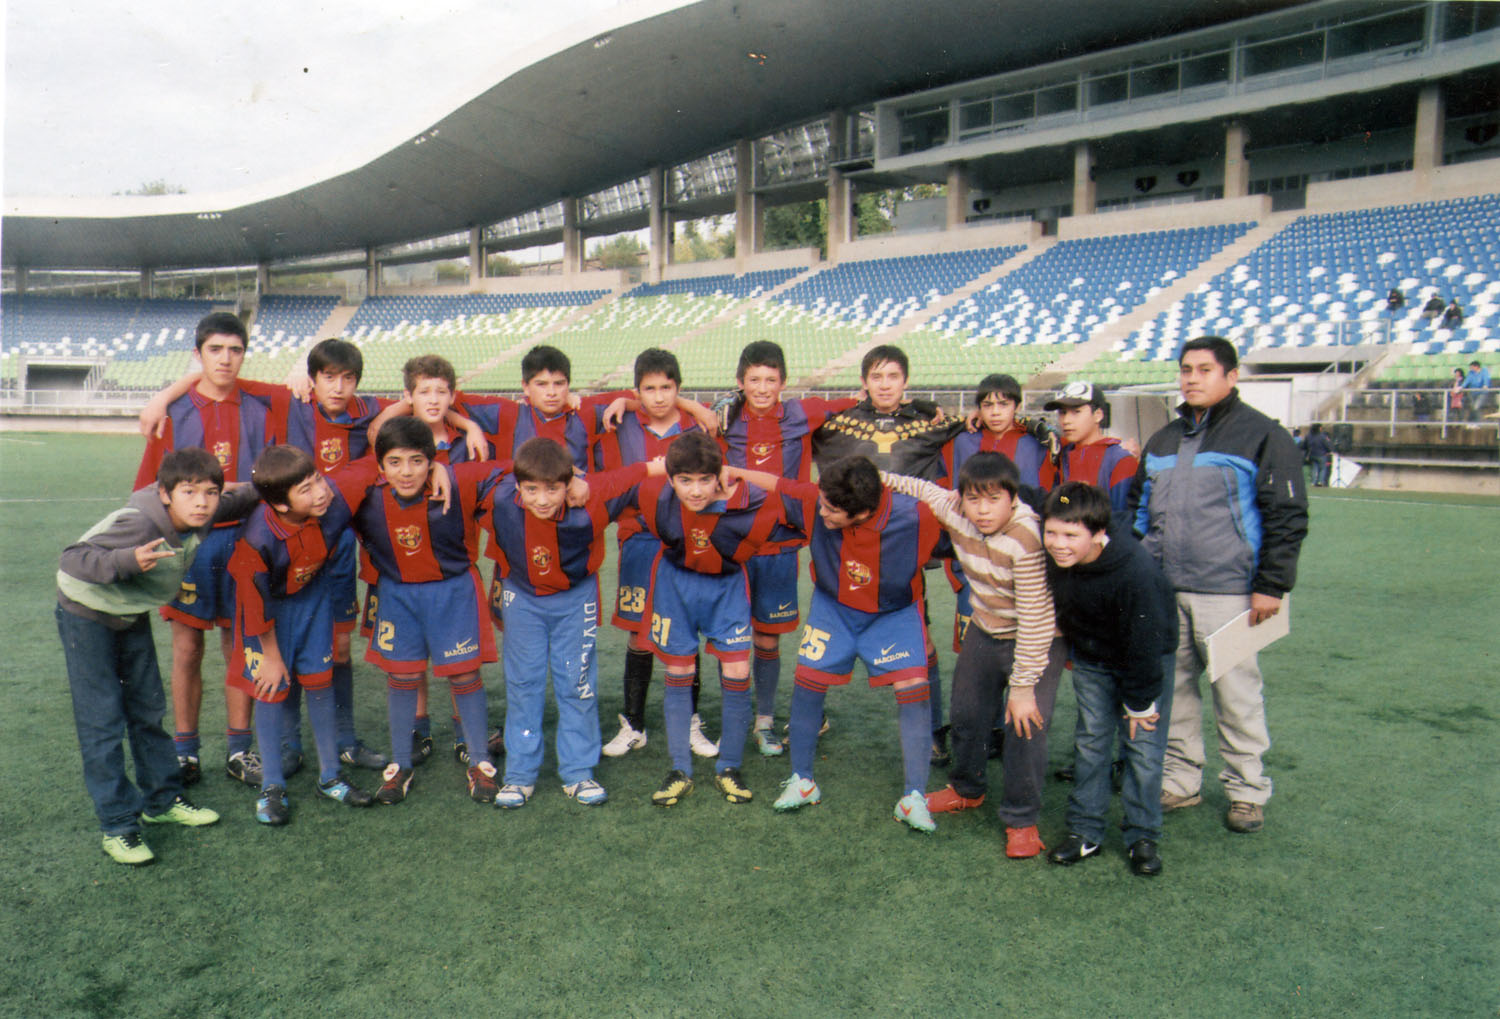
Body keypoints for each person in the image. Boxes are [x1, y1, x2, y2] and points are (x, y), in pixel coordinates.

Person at [1128, 336, 1308, 834]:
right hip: (1166, 590)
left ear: (1231, 377)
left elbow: (1286, 516)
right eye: (1186, 369)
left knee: (1237, 695)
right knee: (1176, 691)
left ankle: (1247, 790)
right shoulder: (1162, 439)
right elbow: (1139, 515)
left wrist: (1272, 584)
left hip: (1231, 591)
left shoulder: (1262, 435)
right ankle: (1181, 783)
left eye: (1204, 370)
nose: (1191, 378)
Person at [57, 448, 255, 865]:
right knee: (103, 722)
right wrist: (127, 559)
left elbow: (243, 497)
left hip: (128, 614)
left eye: (210, 492)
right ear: (166, 494)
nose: (201, 501)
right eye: (189, 492)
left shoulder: (206, 511)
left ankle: (162, 802)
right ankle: (118, 825)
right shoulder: (140, 521)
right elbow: (73, 558)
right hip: (87, 614)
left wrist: (282, 482)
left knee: (147, 709)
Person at [880, 454, 1064, 859]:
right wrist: (875, 477)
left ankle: (1021, 818)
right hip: (986, 625)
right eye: (973, 499)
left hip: (1035, 637)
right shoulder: (956, 508)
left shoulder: (1028, 537)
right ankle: (967, 789)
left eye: (993, 500)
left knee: (1025, 725)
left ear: (1012, 499)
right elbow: (923, 488)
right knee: (966, 713)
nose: (981, 510)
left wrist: (1022, 687)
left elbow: (1036, 619)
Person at [622, 432, 806, 807]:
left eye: (705, 479)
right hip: (676, 588)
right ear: (670, 479)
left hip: (727, 590)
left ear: (719, 476)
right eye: (685, 481)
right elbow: (606, 490)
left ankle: (729, 767)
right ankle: (679, 770)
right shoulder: (653, 497)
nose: (695, 490)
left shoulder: (751, 502)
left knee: (737, 671)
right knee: (678, 672)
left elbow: (802, 504)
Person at [768, 455, 948, 833]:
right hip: (833, 609)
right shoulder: (817, 501)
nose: (821, 513)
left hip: (894, 614)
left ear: (863, 512)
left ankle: (913, 797)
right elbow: (771, 484)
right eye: (822, 503)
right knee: (807, 685)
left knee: (913, 690)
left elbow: (970, 523)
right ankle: (803, 781)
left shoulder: (919, 516)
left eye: (832, 511)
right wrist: (727, 473)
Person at [331, 417, 504, 806]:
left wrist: (443, 466)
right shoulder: (367, 493)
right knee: (403, 674)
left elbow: (510, 468)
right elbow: (330, 485)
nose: (406, 471)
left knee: (464, 673)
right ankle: (399, 763)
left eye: (416, 461)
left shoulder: (457, 481)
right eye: (394, 462)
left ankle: (480, 761)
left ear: (431, 460)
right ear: (380, 465)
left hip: (453, 592)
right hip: (398, 595)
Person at [134, 312, 273, 788]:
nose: (226, 359)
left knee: (240, 645)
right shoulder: (174, 413)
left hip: (244, 540)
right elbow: (150, 488)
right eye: (216, 350)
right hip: (189, 545)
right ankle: (186, 752)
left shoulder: (260, 406)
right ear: (199, 355)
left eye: (235, 350)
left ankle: (240, 749)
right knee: (188, 648)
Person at [812, 345, 963, 764]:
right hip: (845, 548)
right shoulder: (836, 425)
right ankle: (813, 716)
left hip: (900, 549)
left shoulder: (930, 424)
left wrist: (929, 408)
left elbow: (977, 421)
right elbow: (785, 426)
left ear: (906, 382)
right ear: (864, 381)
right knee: (827, 633)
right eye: (876, 377)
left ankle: (932, 731)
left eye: (893, 376)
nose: (884, 384)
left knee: (922, 639)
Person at [484, 438, 645, 809]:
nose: (542, 499)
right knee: (523, 682)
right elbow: (466, 473)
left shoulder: (592, 502)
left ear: (567, 484)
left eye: (553, 488)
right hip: (522, 598)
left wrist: (581, 477)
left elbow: (638, 473)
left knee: (576, 682)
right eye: (532, 490)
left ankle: (578, 771)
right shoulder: (499, 495)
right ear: (517, 484)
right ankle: (520, 776)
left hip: (575, 600)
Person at [717, 340, 856, 754]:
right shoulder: (723, 419)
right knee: (731, 638)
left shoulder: (800, 413)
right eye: (754, 380)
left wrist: (928, 411)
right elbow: (664, 404)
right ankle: (736, 717)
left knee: (768, 638)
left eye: (771, 380)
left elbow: (857, 403)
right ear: (740, 382)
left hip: (780, 545)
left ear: (784, 382)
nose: (762, 388)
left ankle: (764, 720)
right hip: (735, 544)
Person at [227, 446, 376, 825]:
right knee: (270, 690)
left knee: (321, 684)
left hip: (313, 600)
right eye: (306, 490)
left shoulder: (332, 501)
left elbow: (375, 458)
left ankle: (330, 777)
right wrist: (272, 656)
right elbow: (254, 603)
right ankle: (272, 786)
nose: (321, 493)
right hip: (268, 617)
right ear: (280, 505)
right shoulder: (258, 539)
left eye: (318, 481)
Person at [1040, 482, 1177, 877]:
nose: (1058, 544)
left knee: (1143, 749)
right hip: (1093, 657)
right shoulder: (1059, 552)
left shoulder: (1135, 572)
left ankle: (1142, 835)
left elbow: (1146, 646)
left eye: (1070, 535)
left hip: (1145, 659)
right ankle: (1085, 831)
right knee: (1091, 743)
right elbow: (1032, 496)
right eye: (1051, 532)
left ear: (1099, 534)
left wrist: (1139, 703)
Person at [594, 349, 717, 763]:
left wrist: (690, 405)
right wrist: (625, 401)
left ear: (679, 390)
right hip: (640, 540)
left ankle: (691, 721)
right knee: (639, 632)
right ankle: (633, 724)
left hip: (686, 541)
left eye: (668, 388)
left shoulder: (695, 427)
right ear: (637, 391)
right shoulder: (622, 421)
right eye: (649, 388)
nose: (659, 396)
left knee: (685, 628)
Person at [1043, 380, 1137, 525]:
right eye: (1062, 412)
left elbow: (1122, 516)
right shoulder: (1061, 455)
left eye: (1076, 412)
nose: (1066, 420)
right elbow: (1060, 500)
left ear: (1098, 415)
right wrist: (1068, 499)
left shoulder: (1120, 459)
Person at [1304, 423, 1334, 488]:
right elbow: (1327, 445)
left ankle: (1313, 482)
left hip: (1312, 454)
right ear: (1319, 428)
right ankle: (1320, 481)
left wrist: (1306, 454)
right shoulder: (1322, 436)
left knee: (1314, 468)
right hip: (1321, 455)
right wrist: (1329, 451)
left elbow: (1305, 445)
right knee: (1322, 469)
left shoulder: (1308, 436)